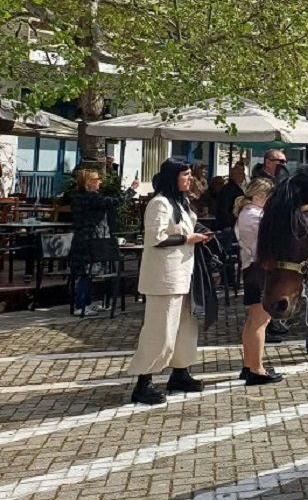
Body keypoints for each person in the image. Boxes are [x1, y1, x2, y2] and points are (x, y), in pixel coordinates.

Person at [126, 158, 214, 405]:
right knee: (161, 329)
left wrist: (200, 235)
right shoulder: (159, 203)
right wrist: (188, 239)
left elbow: (185, 228)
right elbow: (155, 238)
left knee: (185, 326)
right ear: (172, 177)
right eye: (185, 174)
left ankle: (180, 372)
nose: (189, 178)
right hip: (164, 277)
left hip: (184, 273)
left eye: (189, 174)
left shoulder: (181, 202)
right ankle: (144, 381)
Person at [69, 168, 140, 315]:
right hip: (91, 240)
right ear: (88, 182)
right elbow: (114, 202)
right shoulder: (92, 197)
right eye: (96, 179)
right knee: (86, 272)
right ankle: (80, 305)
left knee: (87, 272)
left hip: (82, 239)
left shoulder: (78, 197)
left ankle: (86, 303)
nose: (100, 182)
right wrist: (131, 190)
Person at [235, 178, 284, 385]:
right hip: (260, 268)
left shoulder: (248, 213)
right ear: (258, 197)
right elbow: (269, 242)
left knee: (254, 320)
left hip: (253, 268)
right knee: (260, 321)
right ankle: (256, 369)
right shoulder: (255, 216)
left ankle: (249, 365)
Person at [215, 162, 246, 231]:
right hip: (230, 224)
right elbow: (224, 207)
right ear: (234, 175)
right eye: (240, 173)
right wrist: (227, 224)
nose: (243, 176)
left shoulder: (237, 188)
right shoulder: (229, 189)